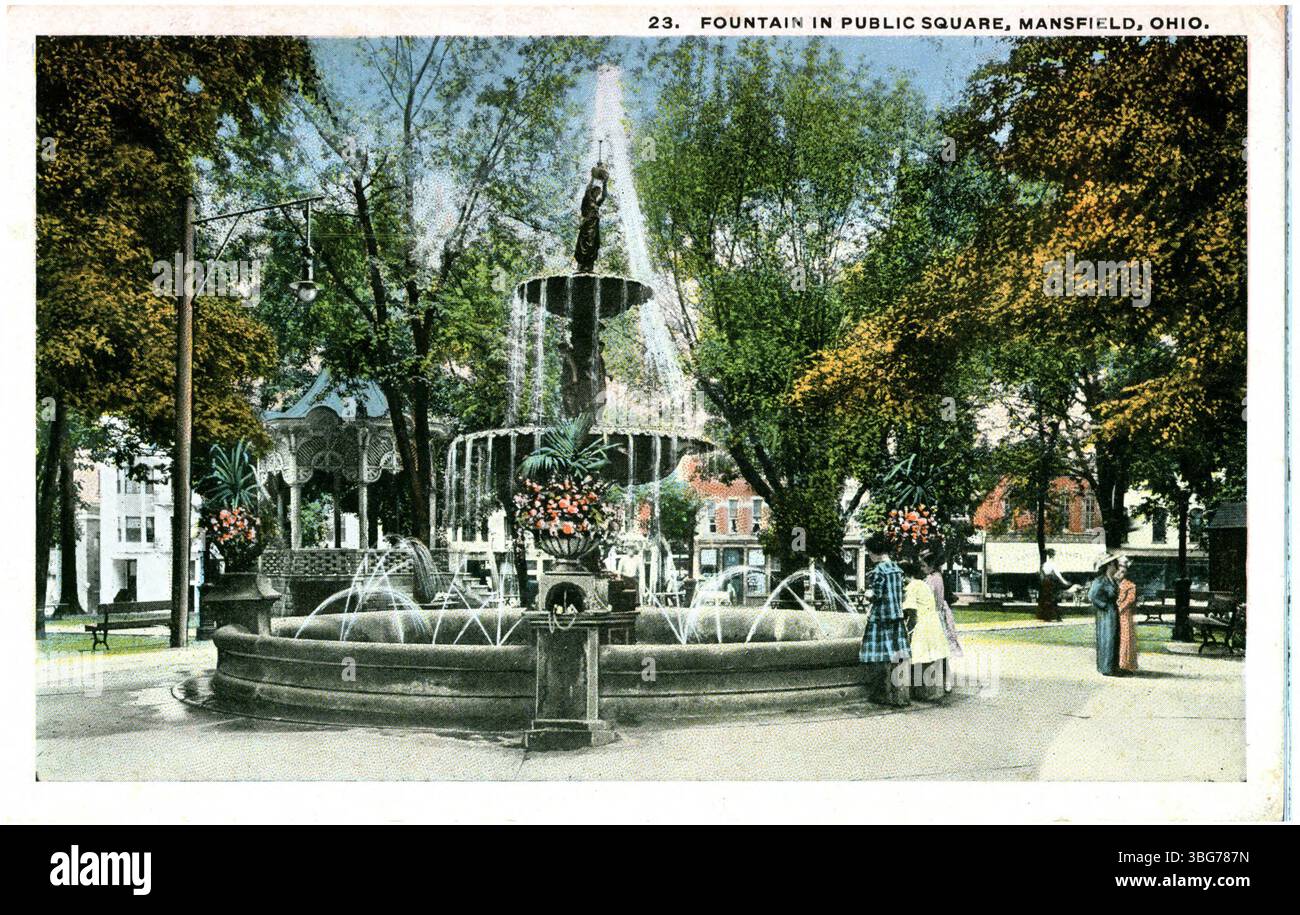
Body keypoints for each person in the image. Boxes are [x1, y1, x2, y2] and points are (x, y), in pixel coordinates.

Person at [860, 532, 910, 706]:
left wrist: (868, 595)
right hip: (896, 617)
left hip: (881, 619)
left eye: (869, 552)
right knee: (898, 656)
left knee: (880, 658)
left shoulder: (878, 571)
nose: (869, 555)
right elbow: (902, 594)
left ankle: (882, 694)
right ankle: (901, 696)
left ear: (874, 552)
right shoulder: (897, 569)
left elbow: (877, 595)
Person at [902, 559, 950, 701]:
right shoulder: (922, 584)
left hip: (922, 624)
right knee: (930, 656)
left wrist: (907, 631)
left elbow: (911, 611)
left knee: (918, 656)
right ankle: (931, 691)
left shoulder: (911, 587)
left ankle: (920, 692)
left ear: (905, 575)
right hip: (933, 624)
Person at [920, 550, 961, 692]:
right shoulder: (936, 576)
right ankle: (943, 681)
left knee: (940, 651)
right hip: (939, 614)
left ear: (931, 566)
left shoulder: (933, 579)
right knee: (940, 651)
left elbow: (933, 600)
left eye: (924, 566)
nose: (922, 569)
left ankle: (944, 681)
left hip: (936, 616)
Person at [1088, 554, 1122, 676]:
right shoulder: (1100, 580)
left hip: (1113, 611)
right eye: (1115, 563)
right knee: (1107, 638)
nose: (1117, 566)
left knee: (1114, 638)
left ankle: (1113, 666)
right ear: (1109, 565)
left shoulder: (1112, 580)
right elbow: (1092, 596)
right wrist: (1104, 606)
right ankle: (1106, 667)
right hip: (1105, 614)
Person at [1116, 556, 1139, 673]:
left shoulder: (1130, 585)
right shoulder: (1114, 584)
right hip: (1117, 614)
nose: (1120, 574)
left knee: (1126, 639)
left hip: (1124, 615)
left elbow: (1130, 599)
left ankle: (1126, 664)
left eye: (1123, 572)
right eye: (1119, 571)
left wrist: (1120, 608)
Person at [1037, 549, 1071, 621]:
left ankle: (1048, 617)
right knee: (1054, 600)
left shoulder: (1044, 565)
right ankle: (1057, 617)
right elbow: (1058, 575)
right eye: (1054, 555)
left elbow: (1041, 574)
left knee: (1047, 600)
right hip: (1051, 583)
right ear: (1052, 556)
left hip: (1045, 583)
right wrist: (1064, 582)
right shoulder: (1052, 564)